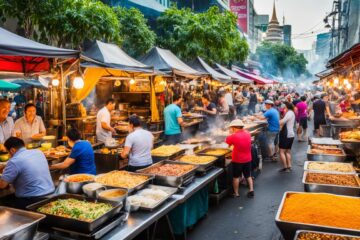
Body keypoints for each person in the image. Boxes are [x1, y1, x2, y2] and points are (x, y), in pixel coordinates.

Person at [0, 137, 54, 209]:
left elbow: (2, 185)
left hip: (32, 200)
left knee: (5, 204)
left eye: (7, 152)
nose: (9, 155)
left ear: (12, 150)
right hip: (51, 194)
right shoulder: (38, 152)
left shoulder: (14, 161)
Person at [225, 119, 254, 198]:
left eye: (231, 128)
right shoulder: (248, 133)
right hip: (248, 158)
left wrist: (230, 134)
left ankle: (236, 193)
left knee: (236, 176)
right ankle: (251, 190)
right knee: (248, 175)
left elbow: (227, 142)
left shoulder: (233, 136)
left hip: (238, 160)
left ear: (234, 128)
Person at [278, 102, 296, 173]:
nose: (284, 109)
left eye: (284, 107)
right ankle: (289, 166)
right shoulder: (292, 113)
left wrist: (277, 121)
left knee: (281, 151)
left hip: (286, 134)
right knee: (288, 151)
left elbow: (282, 122)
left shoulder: (289, 113)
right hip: (291, 134)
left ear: (287, 107)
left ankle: (285, 167)